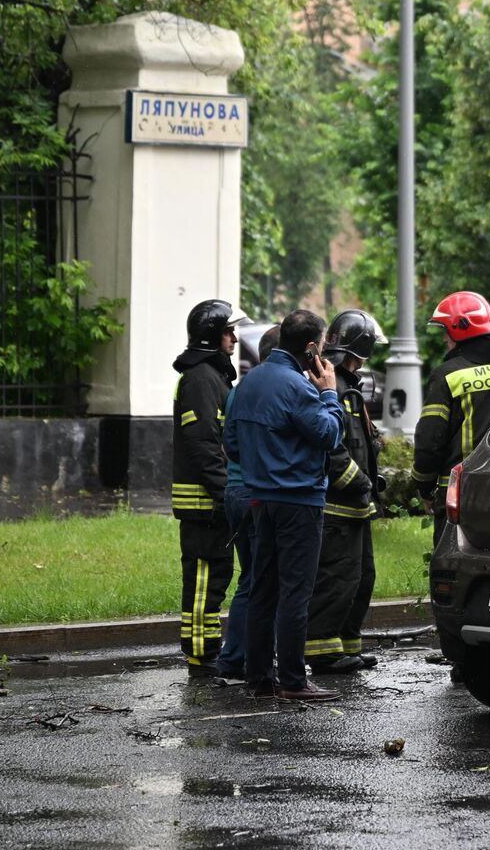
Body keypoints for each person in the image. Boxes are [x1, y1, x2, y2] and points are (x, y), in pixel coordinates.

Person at [224, 310, 347, 703]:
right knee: (295, 591)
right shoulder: (298, 387)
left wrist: (266, 463)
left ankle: (259, 678)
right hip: (299, 501)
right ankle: (293, 680)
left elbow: (232, 445)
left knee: (263, 589)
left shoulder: (249, 382)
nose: (325, 350)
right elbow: (329, 434)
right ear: (312, 348)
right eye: (323, 343)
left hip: (260, 500)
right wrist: (329, 391)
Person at [412, 291, 490, 547]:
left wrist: (423, 485)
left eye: (446, 330)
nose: (444, 338)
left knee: (455, 565)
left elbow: (429, 440)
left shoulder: (448, 375)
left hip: (462, 491)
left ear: (460, 329)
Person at [304, 310, 387, 674]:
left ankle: (347, 645)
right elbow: (331, 449)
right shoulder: (332, 387)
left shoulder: (346, 385)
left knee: (360, 577)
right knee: (337, 578)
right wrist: (360, 481)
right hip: (337, 506)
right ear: (361, 348)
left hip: (356, 506)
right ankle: (322, 651)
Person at [171, 299, 247, 678]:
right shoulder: (201, 378)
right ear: (212, 337)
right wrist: (224, 492)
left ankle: (206, 650)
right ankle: (201, 654)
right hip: (204, 502)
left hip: (211, 500)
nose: (234, 338)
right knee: (204, 579)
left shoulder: (211, 376)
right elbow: (203, 443)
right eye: (228, 332)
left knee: (215, 576)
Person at [213, 325, 280, 686]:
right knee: (262, 580)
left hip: (235, 490)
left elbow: (230, 443)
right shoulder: (275, 389)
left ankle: (237, 656)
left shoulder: (239, 391)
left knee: (250, 577)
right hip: (257, 493)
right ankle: (243, 657)